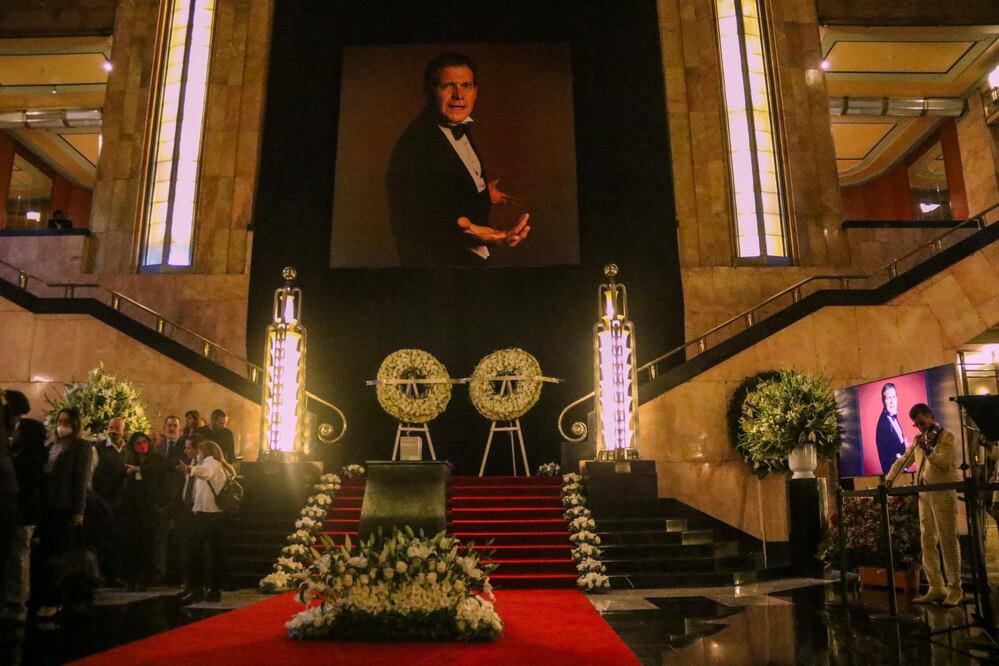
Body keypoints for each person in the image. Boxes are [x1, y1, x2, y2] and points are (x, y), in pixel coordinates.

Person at [386, 52, 531, 267]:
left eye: (466, 86)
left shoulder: (454, 123)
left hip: (468, 262)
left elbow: (440, 190)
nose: (458, 95)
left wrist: (480, 193)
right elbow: (423, 218)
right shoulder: (416, 146)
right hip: (441, 269)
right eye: (448, 86)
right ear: (429, 92)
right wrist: (489, 236)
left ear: (475, 92)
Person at [887, 403, 962, 606]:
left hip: (942, 493)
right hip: (925, 495)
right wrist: (888, 480)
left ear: (930, 416)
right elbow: (903, 460)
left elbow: (944, 463)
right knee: (927, 540)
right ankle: (936, 586)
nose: (920, 427)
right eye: (916, 424)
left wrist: (928, 449)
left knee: (947, 539)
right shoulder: (919, 440)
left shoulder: (947, 436)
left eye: (922, 422)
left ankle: (955, 588)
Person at [35, 407, 94, 618]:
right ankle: (45, 596)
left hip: (64, 506)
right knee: (46, 554)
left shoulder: (81, 447)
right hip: (47, 507)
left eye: (67, 422)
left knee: (61, 556)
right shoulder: (50, 445)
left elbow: (80, 480)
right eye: (60, 421)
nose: (62, 425)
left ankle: (56, 599)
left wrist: (79, 510)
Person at [3, 392, 46, 622]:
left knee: (19, 556)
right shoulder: (25, 455)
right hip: (22, 512)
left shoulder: (28, 459)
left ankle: (17, 600)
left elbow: (28, 489)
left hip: (23, 514)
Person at [177, 439, 233, 603]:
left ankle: (198, 589)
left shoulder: (211, 462)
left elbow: (206, 472)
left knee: (194, 552)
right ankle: (213, 591)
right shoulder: (221, 465)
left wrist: (190, 469)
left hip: (208, 514)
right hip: (215, 515)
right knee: (214, 553)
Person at [117, 432, 161, 591]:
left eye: (144, 442)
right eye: (138, 443)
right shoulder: (127, 460)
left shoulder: (155, 459)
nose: (142, 445)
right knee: (131, 545)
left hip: (148, 508)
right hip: (131, 509)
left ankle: (145, 579)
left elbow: (157, 474)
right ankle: (131, 578)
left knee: (147, 544)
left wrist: (139, 470)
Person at [91, 415, 127, 585]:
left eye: (117, 429)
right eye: (111, 428)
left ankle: (116, 574)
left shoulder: (128, 450)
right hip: (103, 500)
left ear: (123, 430)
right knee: (103, 538)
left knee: (119, 538)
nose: (114, 432)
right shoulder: (98, 449)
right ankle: (102, 574)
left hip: (122, 501)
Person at [152, 415, 184, 583]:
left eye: (175, 426)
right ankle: (159, 574)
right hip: (161, 499)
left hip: (178, 499)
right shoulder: (158, 448)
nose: (172, 428)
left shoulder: (183, 448)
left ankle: (178, 575)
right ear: (165, 428)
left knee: (178, 539)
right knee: (159, 538)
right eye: (169, 425)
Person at [875, 383, 907, 474]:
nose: (892, 401)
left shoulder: (892, 417)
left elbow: (893, 445)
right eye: (889, 398)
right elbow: (886, 457)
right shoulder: (883, 424)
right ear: (883, 401)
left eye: (894, 397)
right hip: (894, 474)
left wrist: (904, 445)